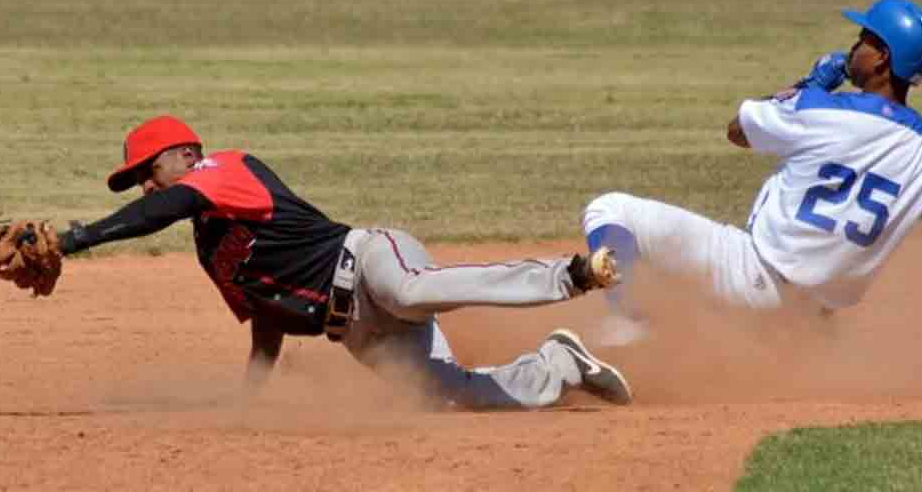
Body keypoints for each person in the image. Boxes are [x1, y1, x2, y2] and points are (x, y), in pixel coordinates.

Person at [56, 115, 633, 409]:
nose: (143, 188)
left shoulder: (224, 170)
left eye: (145, 172)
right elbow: (268, 314)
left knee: (412, 292)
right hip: (357, 331)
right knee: (446, 395)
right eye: (135, 181)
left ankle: (571, 274)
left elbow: (170, 205)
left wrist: (72, 239)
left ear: (186, 154)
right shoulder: (211, 244)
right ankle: (560, 365)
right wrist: (251, 395)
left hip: (370, 261)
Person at [582, 0, 922, 345]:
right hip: (810, 317)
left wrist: (808, 84)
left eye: (864, 38)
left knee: (610, 210)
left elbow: (737, 131)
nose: (854, 45)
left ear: (882, 57)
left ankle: (627, 330)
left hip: (752, 277)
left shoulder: (821, 109)